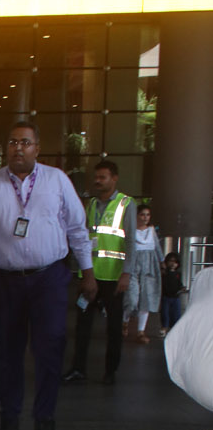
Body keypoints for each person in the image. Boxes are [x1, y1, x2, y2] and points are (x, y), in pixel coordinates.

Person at [0, 120, 96, 430]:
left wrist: (88, 273)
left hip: (48, 278)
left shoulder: (57, 180)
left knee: (50, 350)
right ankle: (8, 421)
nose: (18, 148)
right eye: (12, 142)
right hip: (4, 281)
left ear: (37, 148)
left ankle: (44, 422)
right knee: (8, 353)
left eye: (25, 142)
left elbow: (77, 229)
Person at [63, 158, 136, 386]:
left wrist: (127, 274)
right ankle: (78, 368)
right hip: (91, 276)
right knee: (82, 324)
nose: (98, 181)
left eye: (102, 177)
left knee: (113, 327)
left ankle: (110, 371)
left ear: (114, 179)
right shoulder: (92, 204)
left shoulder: (126, 204)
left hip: (114, 277)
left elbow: (131, 241)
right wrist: (83, 273)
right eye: (96, 177)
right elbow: (84, 239)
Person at [124, 204, 164, 343]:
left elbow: (157, 247)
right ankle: (125, 321)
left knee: (146, 298)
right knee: (132, 298)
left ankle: (141, 331)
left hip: (149, 267)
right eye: (142, 214)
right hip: (133, 267)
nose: (145, 217)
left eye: (147, 215)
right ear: (136, 216)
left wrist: (162, 262)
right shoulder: (130, 231)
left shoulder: (151, 231)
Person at [160, 252, 186, 335]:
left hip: (175, 297)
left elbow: (179, 283)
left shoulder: (178, 274)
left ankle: (174, 329)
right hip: (166, 297)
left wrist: (181, 287)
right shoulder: (164, 273)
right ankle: (164, 327)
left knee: (176, 314)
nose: (173, 264)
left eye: (175, 262)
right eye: (171, 261)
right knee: (165, 313)